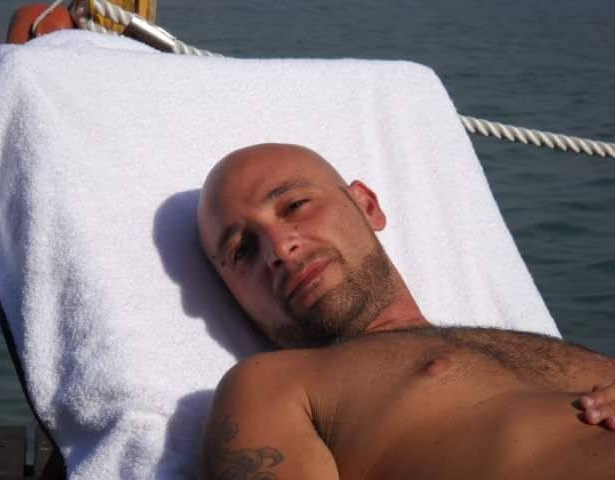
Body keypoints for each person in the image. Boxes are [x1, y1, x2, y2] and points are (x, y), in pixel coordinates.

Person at [197, 143, 615, 479]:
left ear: (367, 205)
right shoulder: (274, 387)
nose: (279, 249)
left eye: (295, 206)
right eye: (242, 250)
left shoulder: (530, 347)